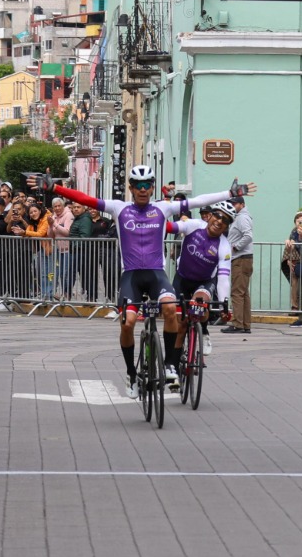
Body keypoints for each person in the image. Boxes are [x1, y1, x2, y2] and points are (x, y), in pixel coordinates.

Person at [39, 167, 252, 395]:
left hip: (156, 274)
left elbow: (198, 201)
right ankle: (131, 374)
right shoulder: (118, 208)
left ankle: (170, 363)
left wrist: (229, 194)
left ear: (152, 187)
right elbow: (85, 199)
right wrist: (54, 188)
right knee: (128, 323)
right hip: (130, 275)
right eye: (137, 185)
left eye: (147, 185)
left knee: (171, 309)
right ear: (130, 187)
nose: (142, 189)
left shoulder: (163, 208)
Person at [167, 200, 236, 363]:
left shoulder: (224, 247)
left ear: (227, 226)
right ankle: (174, 365)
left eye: (225, 220)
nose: (219, 221)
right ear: (210, 216)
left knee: (200, 303)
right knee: (181, 325)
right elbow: (171, 228)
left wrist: (224, 304)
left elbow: (224, 278)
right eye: (218, 216)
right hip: (182, 279)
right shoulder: (193, 225)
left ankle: (204, 331)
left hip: (204, 282)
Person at [226, 192, 255, 335]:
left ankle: (238, 324)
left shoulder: (242, 218)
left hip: (241, 258)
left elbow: (248, 236)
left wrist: (236, 246)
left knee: (237, 292)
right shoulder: (241, 217)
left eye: (234, 203)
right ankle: (245, 324)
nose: (232, 206)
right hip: (244, 258)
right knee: (243, 293)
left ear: (241, 204)